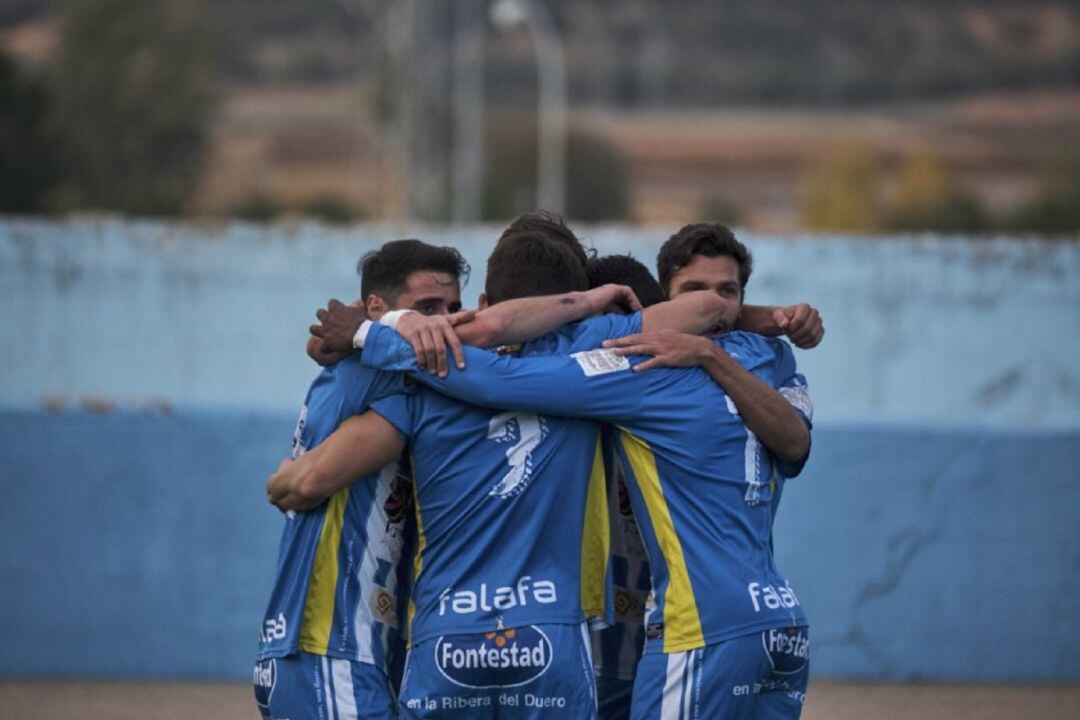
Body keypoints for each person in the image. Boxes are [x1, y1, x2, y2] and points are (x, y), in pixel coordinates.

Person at [334, 223, 815, 718]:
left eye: (727, 289)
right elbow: (795, 443)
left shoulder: (638, 369)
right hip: (778, 621)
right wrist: (770, 321)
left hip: (696, 628)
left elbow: (497, 376)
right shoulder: (773, 357)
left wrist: (374, 332)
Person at [253, 239, 471, 720]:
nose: (444, 321)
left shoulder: (356, 366)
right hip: (331, 645)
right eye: (427, 308)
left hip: (324, 648)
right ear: (376, 310)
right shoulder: (387, 376)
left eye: (453, 307)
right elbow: (303, 485)